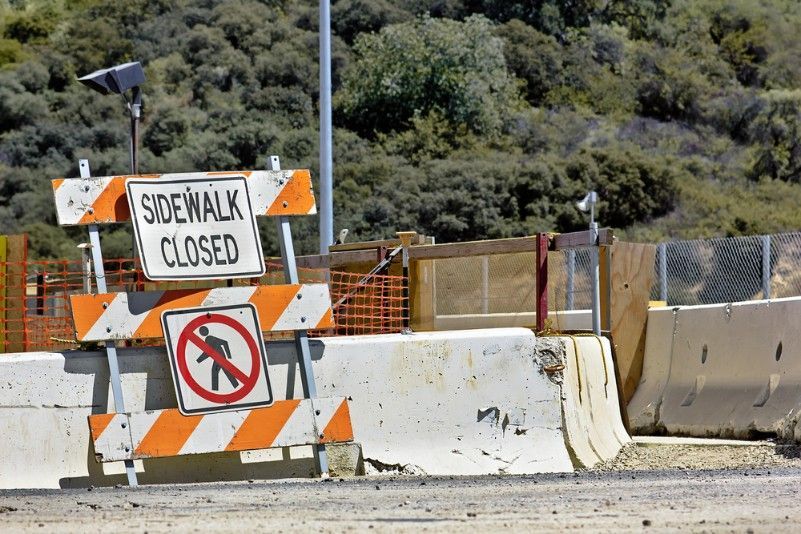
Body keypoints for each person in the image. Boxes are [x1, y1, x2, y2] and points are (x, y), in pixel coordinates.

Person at [196, 325, 239, 391]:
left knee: (215, 371)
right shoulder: (211, 338)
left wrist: (198, 360)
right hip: (220, 358)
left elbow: (207, 353)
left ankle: (215, 389)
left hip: (219, 358)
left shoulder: (209, 339)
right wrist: (228, 356)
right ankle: (236, 385)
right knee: (224, 372)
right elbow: (224, 343)